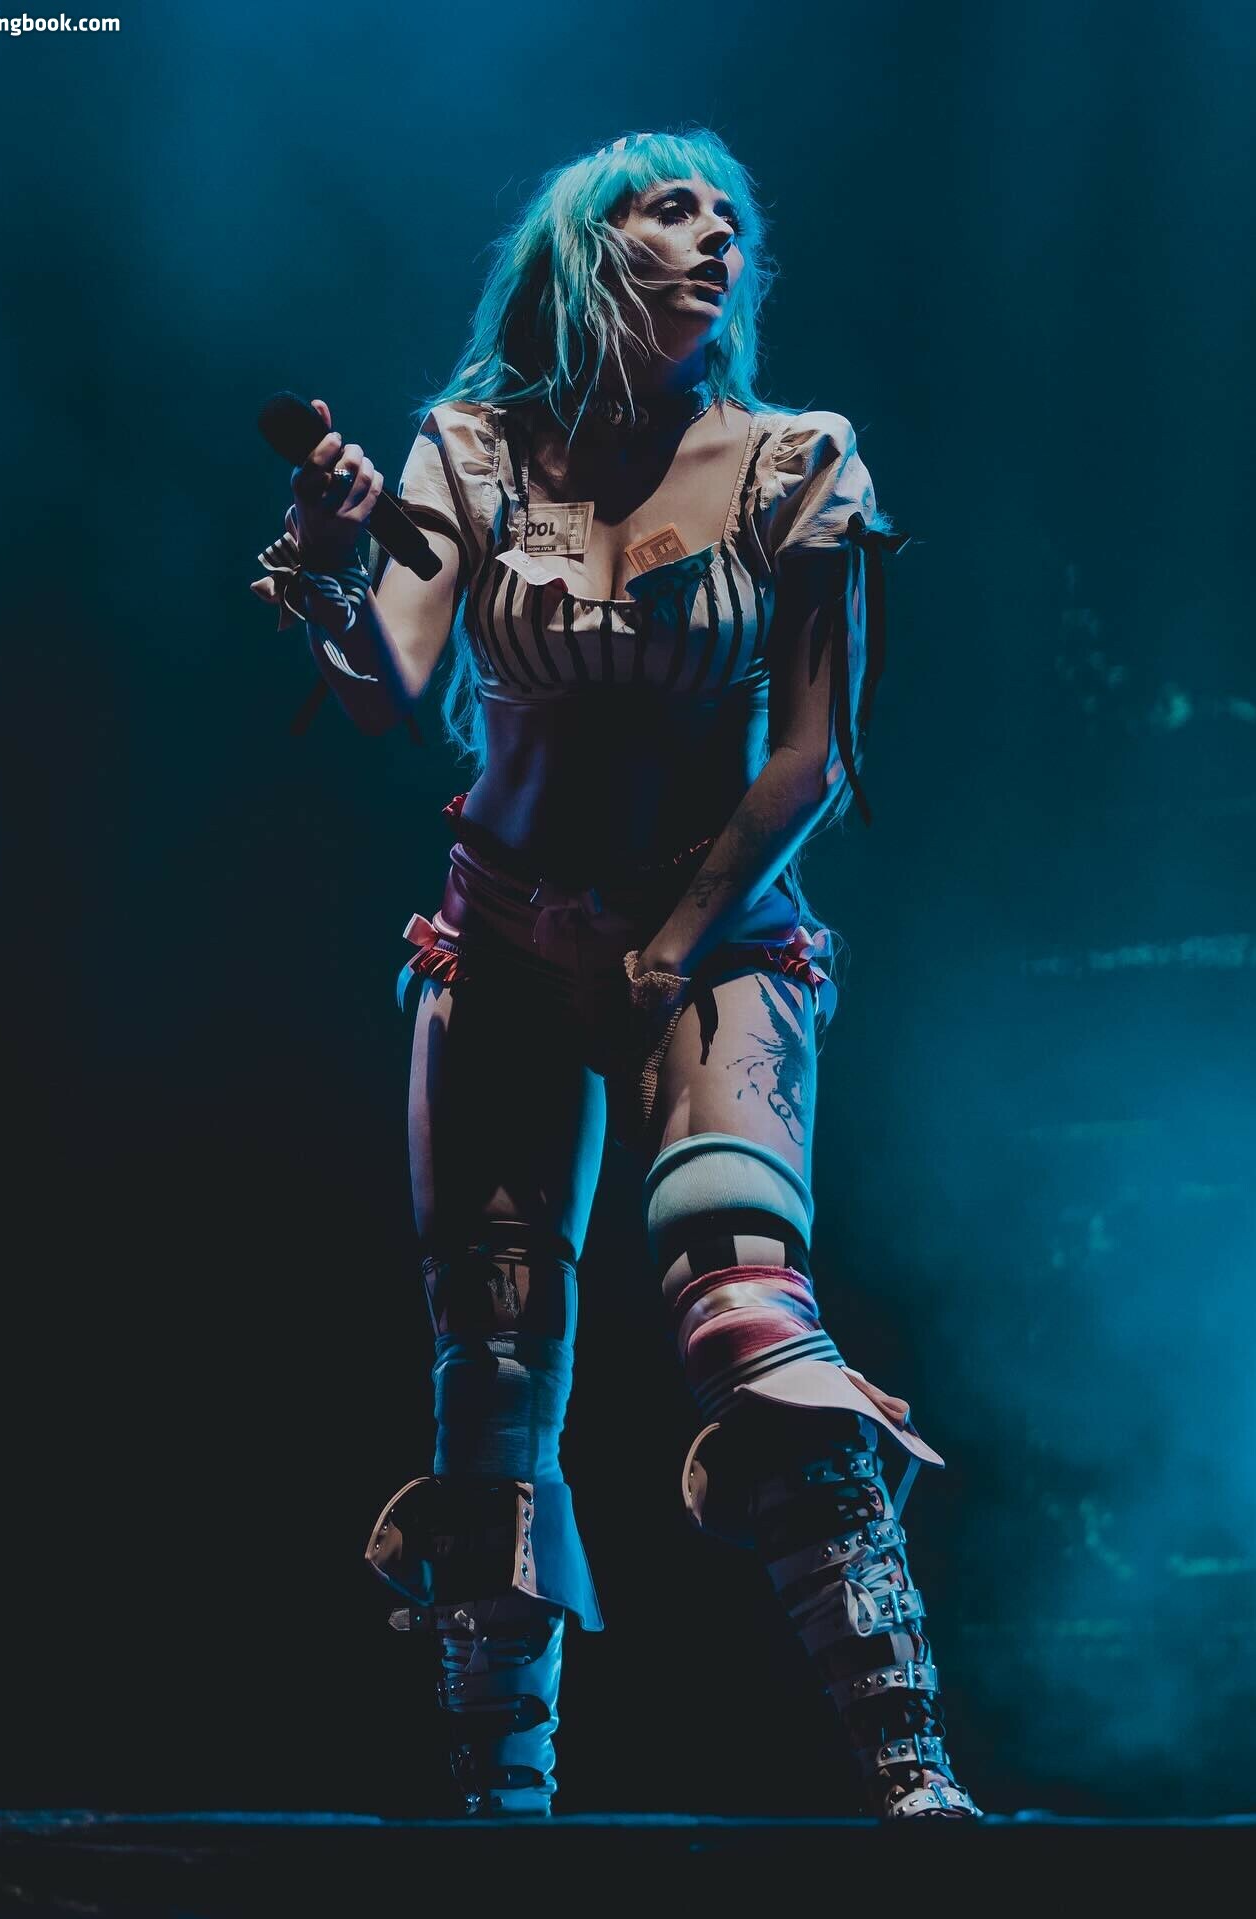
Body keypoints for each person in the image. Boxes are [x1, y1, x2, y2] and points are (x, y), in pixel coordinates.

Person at [250, 128, 980, 1822]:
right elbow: (389, 691)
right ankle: (500, 1799)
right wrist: (330, 556)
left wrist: (669, 938)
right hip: (499, 937)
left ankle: (910, 1770)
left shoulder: (797, 460)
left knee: (749, 1316)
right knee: (493, 1363)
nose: (717, 234)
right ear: (588, 252)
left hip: (713, 941)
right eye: (673, 209)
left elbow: (811, 759)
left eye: (731, 218)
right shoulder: (466, 451)